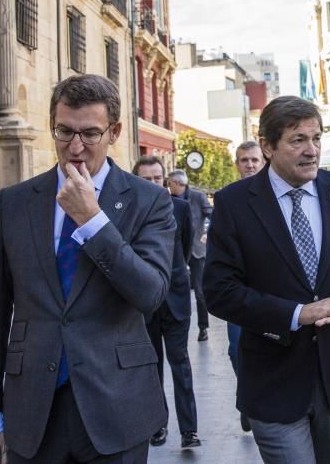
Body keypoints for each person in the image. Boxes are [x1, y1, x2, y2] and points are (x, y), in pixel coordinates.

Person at [0, 74, 176, 463]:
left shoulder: (149, 201)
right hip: (32, 411)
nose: (75, 147)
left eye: (90, 134)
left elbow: (150, 293)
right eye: (64, 131)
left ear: (114, 131)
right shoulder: (14, 203)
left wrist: (93, 221)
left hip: (118, 410)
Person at [203, 96, 330, 464]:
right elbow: (219, 291)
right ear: (267, 146)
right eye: (298, 140)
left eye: (316, 138)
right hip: (273, 383)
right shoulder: (234, 202)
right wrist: (298, 313)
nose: (312, 151)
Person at [133, 156, 200, 450]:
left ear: (165, 180)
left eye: (157, 178)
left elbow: (184, 249)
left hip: (175, 299)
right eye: (145, 179)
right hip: (143, 303)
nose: (152, 184)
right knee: (151, 367)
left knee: (180, 364)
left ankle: (190, 431)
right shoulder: (128, 211)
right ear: (136, 180)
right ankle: (158, 425)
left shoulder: (181, 208)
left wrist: (175, 276)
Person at [227, 140, 266, 434]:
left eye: (254, 160)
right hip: (239, 294)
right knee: (236, 349)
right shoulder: (228, 201)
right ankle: (248, 399)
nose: (250, 165)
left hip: (272, 291)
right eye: (244, 161)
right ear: (237, 165)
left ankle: (256, 402)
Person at [168, 169, 213, 340]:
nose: (168, 185)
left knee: (200, 292)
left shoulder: (197, 196)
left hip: (196, 250)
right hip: (176, 251)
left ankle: (203, 327)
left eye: (170, 182)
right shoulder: (168, 198)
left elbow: (211, 214)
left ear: (178, 183)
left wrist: (207, 232)